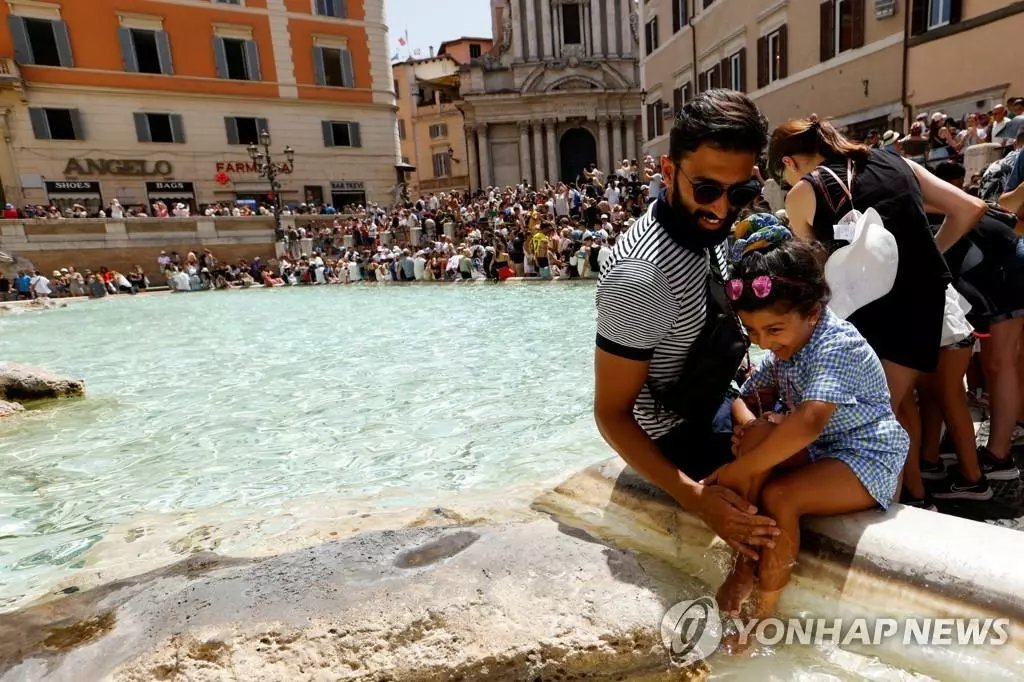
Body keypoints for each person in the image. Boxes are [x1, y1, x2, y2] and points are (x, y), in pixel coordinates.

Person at [594, 90, 780, 562]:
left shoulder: (706, 235)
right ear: (669, 172)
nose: (722, 208)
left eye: (738, 193)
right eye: (706, 191)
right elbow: (612, 414)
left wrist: (748, 419)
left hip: (715, 403)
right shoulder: (641, 277)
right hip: (674, 437)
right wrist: (695, 499)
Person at [769, 116, 989, 506]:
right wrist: (925, 256)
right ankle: (915, 495)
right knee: (899, 402)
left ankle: (896, 504)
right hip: (925, 296)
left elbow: (814, 278)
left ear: (789, 162)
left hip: (868, 309)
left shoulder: (804, 190)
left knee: (877, 420)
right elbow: (969, 207)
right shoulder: (894, 159)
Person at [708, 220, 907, 622]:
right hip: (820, 453)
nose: (763, 343)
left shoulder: (836, 344)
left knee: (782, 496)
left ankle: (763, 616)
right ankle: (744, 565)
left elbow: (812, 422)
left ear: (813, 312)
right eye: (752, 330)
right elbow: (742, 399)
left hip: (868, 459)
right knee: (759, 434)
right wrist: (751, 426)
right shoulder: (790, 344)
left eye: (773, 329)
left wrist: (738, 469)